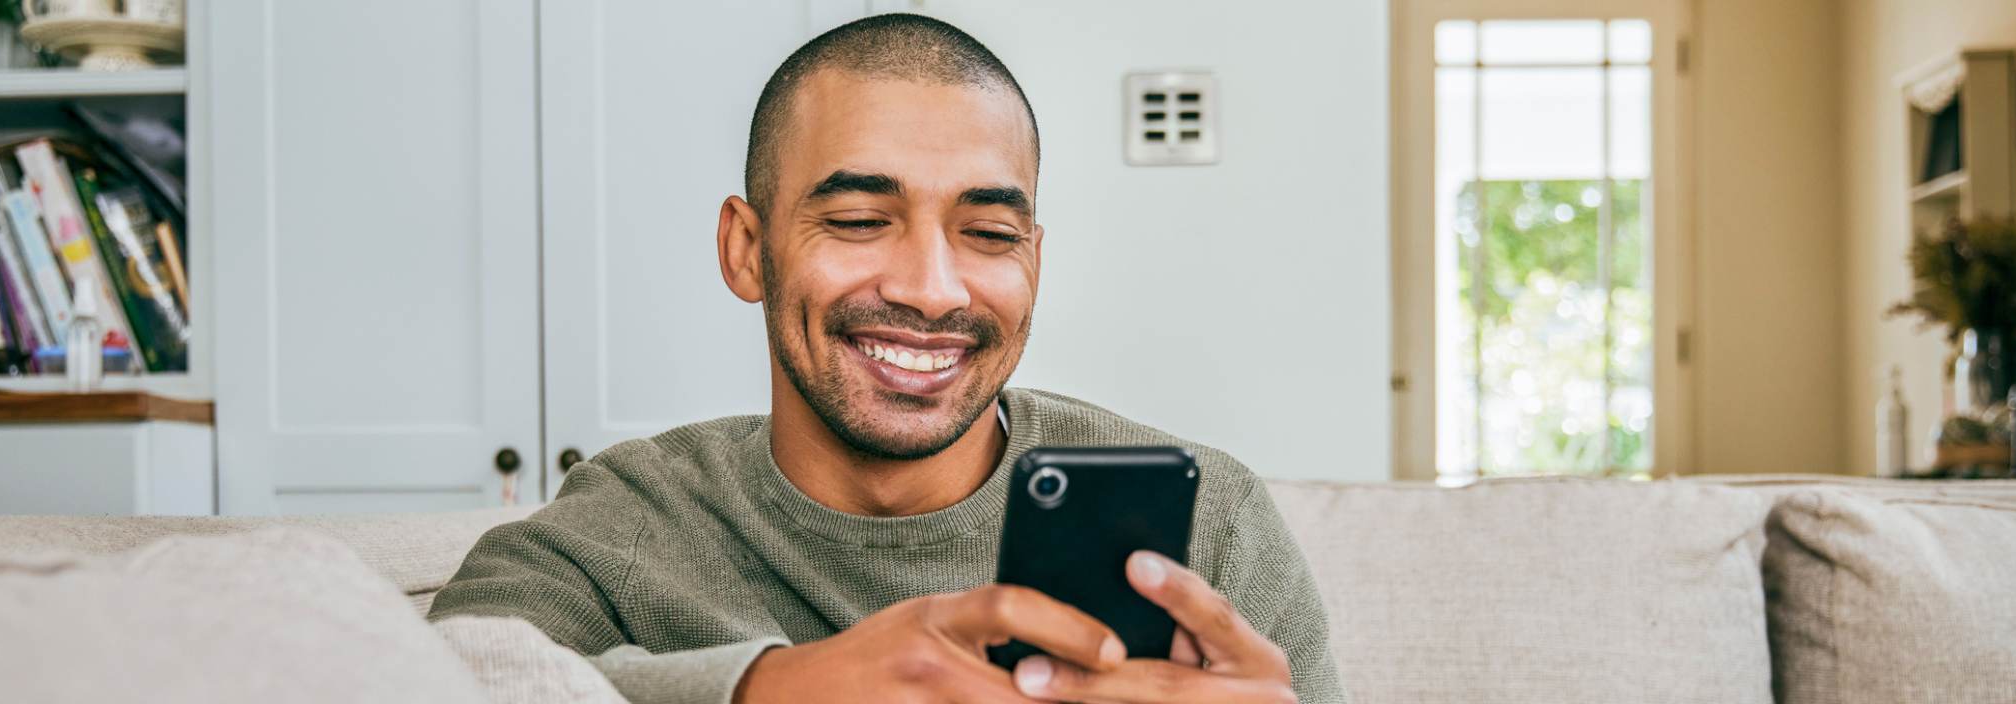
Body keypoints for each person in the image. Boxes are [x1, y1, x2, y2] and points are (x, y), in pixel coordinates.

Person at [429, 13, 1343, 704]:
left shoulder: (1209, 525)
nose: (934, 288)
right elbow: (429, 674)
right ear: (747, 250)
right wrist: (775, 688)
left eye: (988, 232)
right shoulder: (633, 528)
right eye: (862, 222)